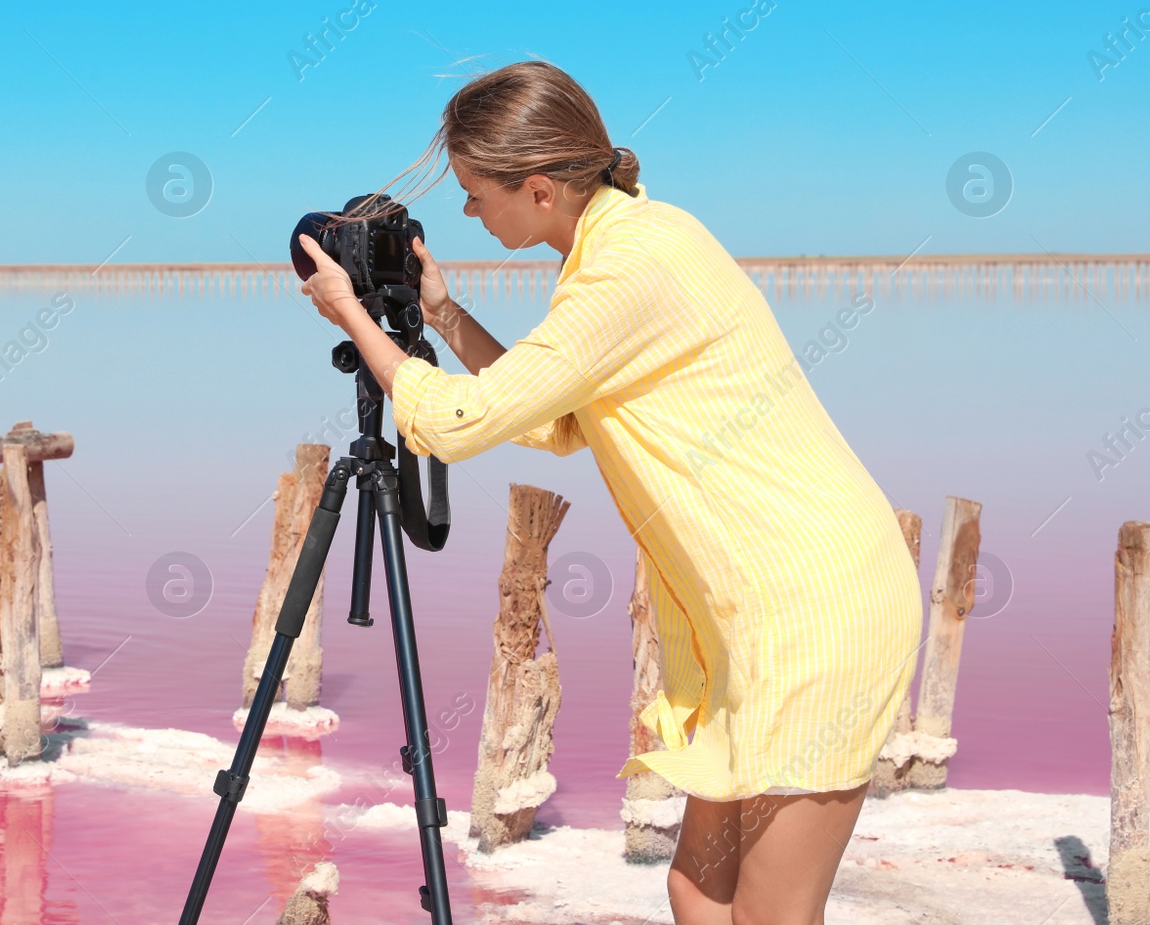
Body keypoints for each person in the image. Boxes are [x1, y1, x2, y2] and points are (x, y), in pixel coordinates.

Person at [296, 61, 923, 924]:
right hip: (757, 610)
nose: (470, 216)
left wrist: (353, 316)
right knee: (696, 888)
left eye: (479, 196)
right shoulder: (623, 244)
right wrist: (440, 312)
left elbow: (463, 421)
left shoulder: (630, 266)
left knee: (770, 913)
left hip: (813, 609)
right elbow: (556, 420)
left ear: (542, 189)